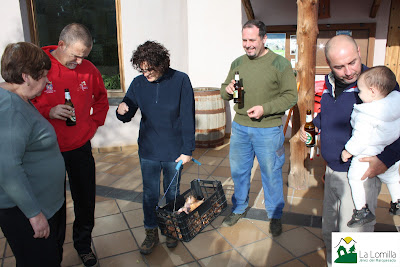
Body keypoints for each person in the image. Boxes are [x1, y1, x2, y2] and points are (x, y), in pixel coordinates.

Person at [300, 34, 400, 266]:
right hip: (332, 172)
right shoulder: (329, 83)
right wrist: (314, 126)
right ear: (329, 65)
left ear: (359, 53)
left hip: (359, 175)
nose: (347, 71)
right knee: (331, 231)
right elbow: (327, 113)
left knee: (353, 242)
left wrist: (385, 160)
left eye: (352, 62)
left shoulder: (378, 85)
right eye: (339, 66)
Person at [31, 23, 109, 267]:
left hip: (79, 147)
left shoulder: (89, 70)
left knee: (85, 200)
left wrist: (92, 126)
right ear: (61, 44)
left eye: (84, 56)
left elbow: (102, 99)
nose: (79, 61)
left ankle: (83, 245)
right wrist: (48, 111)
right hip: (47, 150)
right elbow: (23, 102)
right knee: (54, 205)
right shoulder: (39, 66)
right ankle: (53, 252)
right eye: (75, 55)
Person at [116, 41, 195, 255]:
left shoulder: (180, 80)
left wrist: (187, 150)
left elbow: (188, 117)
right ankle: (151, 231)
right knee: (150, 194)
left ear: (162, 64)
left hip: (174, 151)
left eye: (149, 69)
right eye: (142, 70)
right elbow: (128, 110)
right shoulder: (138, 83)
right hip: (149, 150)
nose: (146, 74)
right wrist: (121, 110)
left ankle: (170, 229)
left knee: (172, 194)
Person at [220, 20, 298, 237]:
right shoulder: (237, 62)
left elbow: (291, 97)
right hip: (240, 127)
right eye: (244, 40)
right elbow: (224, 92)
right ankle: (239, 208)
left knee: (271, 173)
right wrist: (226, 90)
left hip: (269, 129)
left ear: (264, 39)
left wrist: (265, 109)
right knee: (239, 171)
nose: (247, 45)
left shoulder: (280, 64)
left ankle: (274, 215)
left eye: (252, 40)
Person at [0, 42, 66, 266]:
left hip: (45, 205)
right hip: (28, 212)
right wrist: (35, 215)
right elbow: (7, 168)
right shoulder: (10, 109)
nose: (47, 82)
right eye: (43, 76)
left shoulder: (19, 98)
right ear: (26, 76)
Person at [341, 66, 400, 227]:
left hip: (368, 154)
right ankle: (397, 201)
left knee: (354, 178)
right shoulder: (395, 104)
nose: (358, 95)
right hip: (388, 152)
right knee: (393, 177)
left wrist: (348, 151)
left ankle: (361, 210)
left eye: (360, 91)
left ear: (372, 92)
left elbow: (360, 138)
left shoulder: (367, 114)